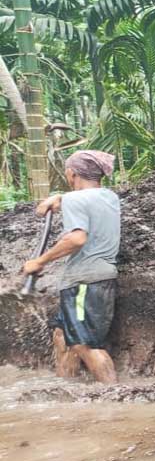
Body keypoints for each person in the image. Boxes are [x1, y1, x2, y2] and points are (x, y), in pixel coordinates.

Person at [20, 150, 121, 383]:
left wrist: (39, 261)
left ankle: (114, 396)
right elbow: (87, 199)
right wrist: (61, 198)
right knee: (62, 334)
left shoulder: (76, 200)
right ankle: (67, 386)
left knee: (85, 344)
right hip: (95, 279)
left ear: (71, 173)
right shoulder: (109, 196)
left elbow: (76, 239)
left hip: (84, 281)